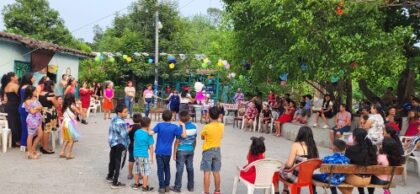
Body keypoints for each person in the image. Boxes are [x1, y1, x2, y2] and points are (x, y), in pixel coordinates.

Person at [275, 126, 319, 194]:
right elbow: (316, 164)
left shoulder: (296, 145)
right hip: (308, 177)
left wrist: (283, 165)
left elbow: (289, 164)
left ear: (300, 134)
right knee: (288, 168)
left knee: (278, 170)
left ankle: (276, 191)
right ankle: (285, 190)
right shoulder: (313, 146)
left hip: (296, 178)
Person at [153, 110, 187, 194]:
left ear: (162, 117)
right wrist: (183, 125)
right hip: (168, 152)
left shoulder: (159, 125)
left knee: (160, 169)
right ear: (171, 117)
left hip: (159, 151)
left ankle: (161, 187)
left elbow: (151, 132)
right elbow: (184, 135)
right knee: (167, 168)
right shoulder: (175, 127)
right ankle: (167, 186)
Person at [342, 128, 377, 194]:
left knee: (338, 179)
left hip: (356, 179)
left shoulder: (350, 149)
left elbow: (346, 164)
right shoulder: (372, 148)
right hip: (368, 179)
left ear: (354, 137)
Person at [170, 110, 198, 193]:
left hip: (181, 150)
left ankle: (177, 187)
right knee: (190, 168)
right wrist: (193, 148)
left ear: (180, 119)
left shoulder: (180, 128)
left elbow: (177, 141)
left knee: (180, 169)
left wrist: (174, 153)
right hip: (190, 150)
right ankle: (191, 186)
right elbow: (194, 139)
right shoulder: (194, 126)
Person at [200, 107, 224, 194]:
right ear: (219, 116)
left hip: (208, 151)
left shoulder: (207, 127)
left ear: (209, 115)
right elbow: (221, 136)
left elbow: (202, 136)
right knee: (216, 172)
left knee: (207, 172)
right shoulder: (221, 125)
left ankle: (206, 192)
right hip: (217, 150)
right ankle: (217, 191)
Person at [106, 103, 130, 189]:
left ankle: (110, 176)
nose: (127, 113)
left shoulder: (114, 119)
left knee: (112, 160)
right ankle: (115, 182)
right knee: (119, 163)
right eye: (125, 112)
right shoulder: (122, 122)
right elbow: (124, 134)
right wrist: (129, 129)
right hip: (121, 144)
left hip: (113, 143)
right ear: (120, 113)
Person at [132, 116, 155, 191]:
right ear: (148, 124)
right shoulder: (149, 135)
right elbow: (151, 147)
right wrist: (152, 157)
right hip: (144, 155)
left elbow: (135, 141)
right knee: (145, 171)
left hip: (136, 154)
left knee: (137, 169)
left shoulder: (137, 132)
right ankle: (145, 187)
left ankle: (136, 184)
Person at [1, 72, 21, 147]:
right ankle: (16, 141)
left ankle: (13, 141)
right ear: (12, 78)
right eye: (16, 75)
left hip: (8, 106)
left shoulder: (6, 86)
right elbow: (20, 95)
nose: (17, 77)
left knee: (11, 123)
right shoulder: (14, 85)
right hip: (15, 106)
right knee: (16, 123)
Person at [23, 85, 43, 159]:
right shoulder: (27, 101)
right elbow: (32, 111)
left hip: (38, 118)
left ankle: (33, 149)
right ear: (31, 92)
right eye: (34, 91)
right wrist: (38, 108)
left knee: (40, 134)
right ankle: (30, 153)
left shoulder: (35, 98)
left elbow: (41, 107)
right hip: (32, 120)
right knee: (30, 135)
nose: (36, 92)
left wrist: (37, 108)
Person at [39, 80, 58, 154]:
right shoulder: (51, 94)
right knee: (47, 131)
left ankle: (43, 146)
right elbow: (56, 105)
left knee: (44, 129)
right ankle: (45, 148)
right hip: (49, 113)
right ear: (51, 86)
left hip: (42, 112)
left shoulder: (40, 93)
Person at [59, 93, 81, 160]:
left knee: (66, 138)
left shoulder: (64, 106)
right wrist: (80, 106)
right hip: (69, 124)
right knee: (71, 139)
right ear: (72, 99)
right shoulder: (72, 106)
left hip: (64, 123)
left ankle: (62, 152)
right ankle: (69, 154)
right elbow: (80, 113)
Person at [18, 73, 35, 150]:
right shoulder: (29, 88)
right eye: (33, 77)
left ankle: (23, 145)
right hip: (27, 108)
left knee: (24, 126)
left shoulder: (22, 87)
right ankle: (26, 145)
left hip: (22, 107)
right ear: (30, 79)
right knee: (28, 127)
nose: (34, 79)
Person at [127, 113, 142, 180]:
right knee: (139, 160)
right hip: (139, 145)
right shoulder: (141, 127)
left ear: (133, 119)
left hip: (131, 145)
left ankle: (130, 174)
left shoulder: (130, 126)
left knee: (131, 160)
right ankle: (140, 174)